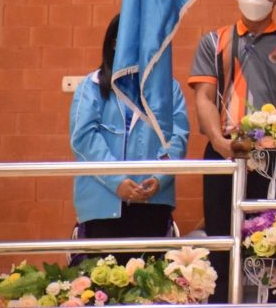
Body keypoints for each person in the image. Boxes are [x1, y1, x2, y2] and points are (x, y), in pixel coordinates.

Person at [188, 0, 276, 303]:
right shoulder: (214, 41)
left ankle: (270, 303)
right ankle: (222, 302)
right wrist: (219, 141)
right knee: (222, 240)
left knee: (275, 242)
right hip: (224, 153)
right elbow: (204, 98)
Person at [70, 14, 189, 262]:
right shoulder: (91, 86)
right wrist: (117, 181)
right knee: (102, 281)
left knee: (150, 280)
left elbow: (178, 137)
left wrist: (159, 178)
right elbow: (83, 138)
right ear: (114, 43)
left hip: (153, 199)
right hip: (102, 203)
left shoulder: (169, 88)